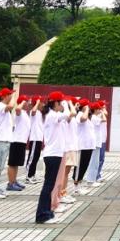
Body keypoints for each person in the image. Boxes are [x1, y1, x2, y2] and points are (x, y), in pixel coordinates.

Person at [36, 91, 69, 224]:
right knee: (48, 186)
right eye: (61, 103)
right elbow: (68, 114)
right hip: (52, 154)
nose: (62, 105)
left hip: (54, 154)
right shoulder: (52, 115)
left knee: (49, 185)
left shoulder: (52, 115)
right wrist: (67, 105)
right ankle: (42, 215)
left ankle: (47, 212)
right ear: (56, 103)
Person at [52, 97, 77, 212]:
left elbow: (73, 113)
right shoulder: (62, 116)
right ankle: (61, 194)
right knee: (64, 174)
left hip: (70, 147)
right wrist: (68, 103)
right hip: (67, 147)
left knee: (66, 173)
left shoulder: (65, 117)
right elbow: (72, 113)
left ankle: (63, 192)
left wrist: (70, 104)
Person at [7, 95, 31, 191]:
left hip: (22, 141)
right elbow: (17, 109)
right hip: (16, 141)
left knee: (16, 163)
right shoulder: (19, 112)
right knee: (12, 163)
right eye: (27, 102)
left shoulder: (25, 113)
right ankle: (10, 183)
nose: (28, 104)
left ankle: (14, 181)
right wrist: (22, 102)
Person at [73, 99, 95, 195]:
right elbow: (83, 119)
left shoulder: (87, 117)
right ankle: (76, 188)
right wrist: (85, 109)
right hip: (82, 146)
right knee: (79, 167)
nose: (89, 108)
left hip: (88, 146)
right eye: (88, 106)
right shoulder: (80, 115)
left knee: (84, 167)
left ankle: (80, 185)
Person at [84, 102, 106, 187]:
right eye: (99, 109)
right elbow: (104, 119)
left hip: (96, 142)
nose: (100, 110)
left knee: (95, 162)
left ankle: (92, 180)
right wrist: (103, 112)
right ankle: (90, 180)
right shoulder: (94, 117)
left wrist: (101, 112)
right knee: (93, 162)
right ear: (95, 110)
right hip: (95, 143)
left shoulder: (94, 117)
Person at [25, 96, 44, 184]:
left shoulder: (39, 112)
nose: (42, 104)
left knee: (36, 158)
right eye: (41, 103)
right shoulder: (33, 112)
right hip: (34, 138)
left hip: (39, 139)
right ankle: (28, 176)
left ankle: (32, 175)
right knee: (32, 158)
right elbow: (33, 111)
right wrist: (37, 102)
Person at [93, 102, 108, 182]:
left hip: (102, 139)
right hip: (99, 140)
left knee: (101, 159)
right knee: (99, 159)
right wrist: (102, 110)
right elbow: (106, 114)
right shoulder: (98, 115)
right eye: (104, 106)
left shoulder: (101, 114)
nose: (105, 108)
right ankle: (96, 176)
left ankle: (97, 175)